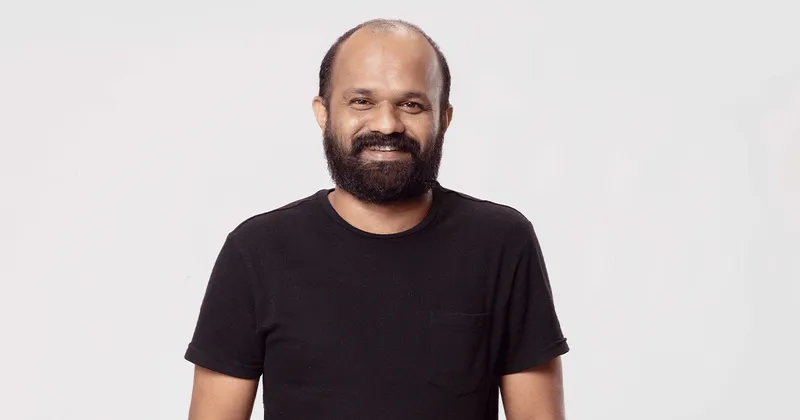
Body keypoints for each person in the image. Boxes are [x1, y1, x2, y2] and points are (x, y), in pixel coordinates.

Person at [184, 18, 569, 420]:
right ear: (323, 113)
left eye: (411, 104)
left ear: (444, 118)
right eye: (361, 102)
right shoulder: (256, 251)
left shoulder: (501, 242)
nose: (387, 124)